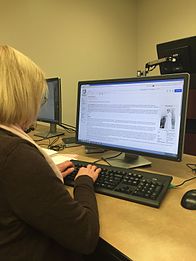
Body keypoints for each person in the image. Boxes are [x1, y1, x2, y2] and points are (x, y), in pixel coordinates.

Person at [0, 45, 101, 261]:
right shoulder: (16, 156)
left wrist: (43, 177)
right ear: (22, 96)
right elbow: (85, 236)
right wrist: (84, 182)